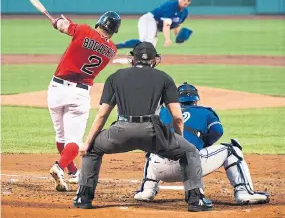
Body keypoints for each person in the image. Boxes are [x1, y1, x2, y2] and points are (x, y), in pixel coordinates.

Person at [73, 42, 213, 212]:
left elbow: (102, 115)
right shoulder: (164, 78)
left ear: (132, 58)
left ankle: (83, 197)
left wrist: (88, 142)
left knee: (93, 149)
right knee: (189, 151)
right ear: (154, 60)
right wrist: (177, 142)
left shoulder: (115, 77)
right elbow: (177, 117)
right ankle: (195, 200)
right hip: (152, 133)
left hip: (120, 131)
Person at [134, 82, 270, 205]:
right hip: (192, 168)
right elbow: (218, 131)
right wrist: (203, 144)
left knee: (153, 148)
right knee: (232, 149)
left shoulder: (162, 112)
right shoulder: (205, 112)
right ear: (196, 100)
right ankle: (243, 192)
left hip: (161, 169)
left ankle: (147, 190)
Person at [48, 11, 121, 192]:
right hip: (79, 93)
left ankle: (73, 172)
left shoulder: (82, 30)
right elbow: (91, 41)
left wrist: (58, 22)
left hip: (56, 89)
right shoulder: (112, 49)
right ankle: (60, 167)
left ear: (100, 22)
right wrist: (66, 24)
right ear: (114, 31)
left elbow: (63, 27)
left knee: (61, 136)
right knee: (74, 140)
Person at [115, 0, 193, 49]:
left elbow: (177, 25)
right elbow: (166, 25)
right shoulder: (171, 6)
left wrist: (178, 36)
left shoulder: (185, 12)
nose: (186, 1)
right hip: (149, 20)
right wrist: (167, 39)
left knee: (150, 47)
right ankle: (118, 46)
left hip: (155, 26)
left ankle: (134, 56)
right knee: (146, 42)